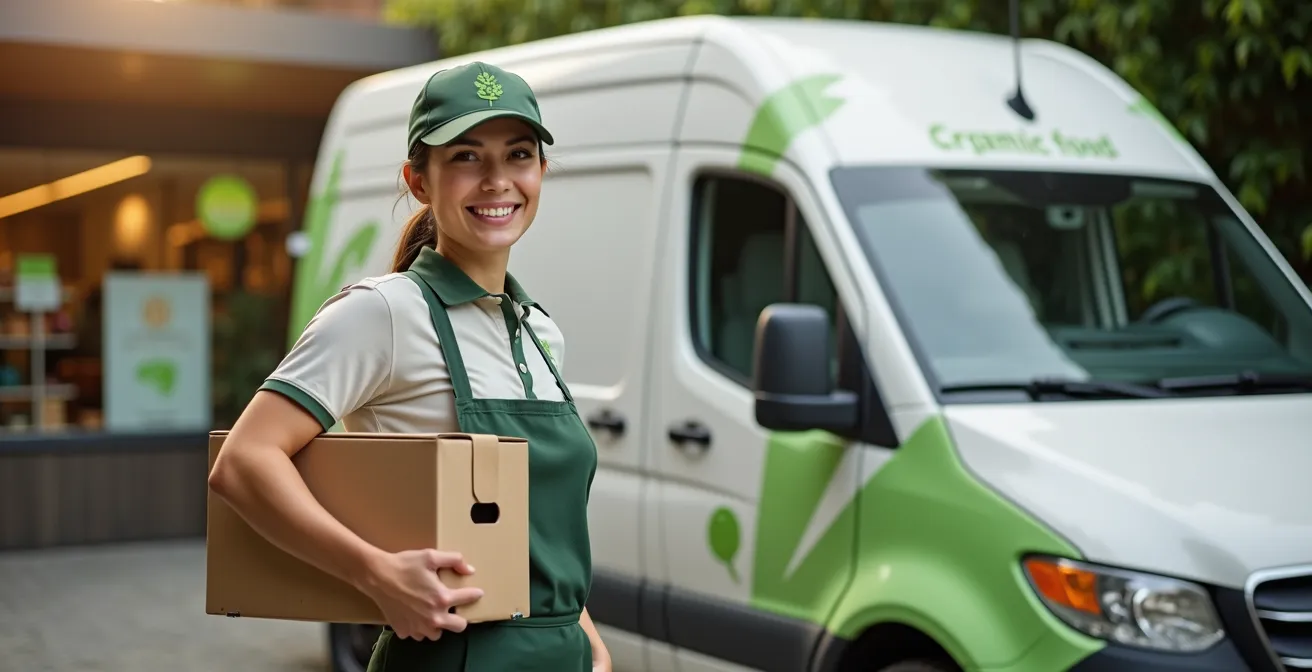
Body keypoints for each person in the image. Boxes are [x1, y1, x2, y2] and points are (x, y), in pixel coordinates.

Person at [208, 61, 611, 671]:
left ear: (541, 170)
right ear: (418, 181)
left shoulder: (537, 330)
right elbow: (243, 463)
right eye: (467, 157)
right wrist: (375, 574)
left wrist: (590, 645)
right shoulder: (384, 313)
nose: (498, 181)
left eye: (519, 155)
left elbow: (531, 535)